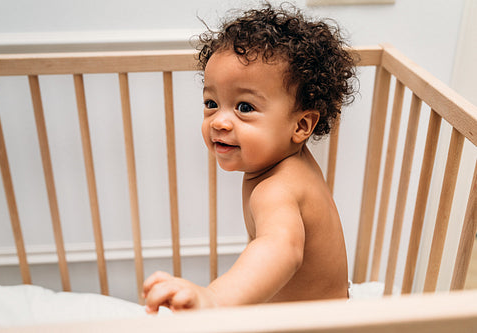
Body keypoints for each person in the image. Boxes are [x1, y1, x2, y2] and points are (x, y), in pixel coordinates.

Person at [143, 2, 356, 313]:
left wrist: (214, 298)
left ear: (300, 125)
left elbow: (280, 249)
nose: (219, 121)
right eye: (212, 102)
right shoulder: (294, 163)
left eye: (244, 107)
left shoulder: (276, 189)